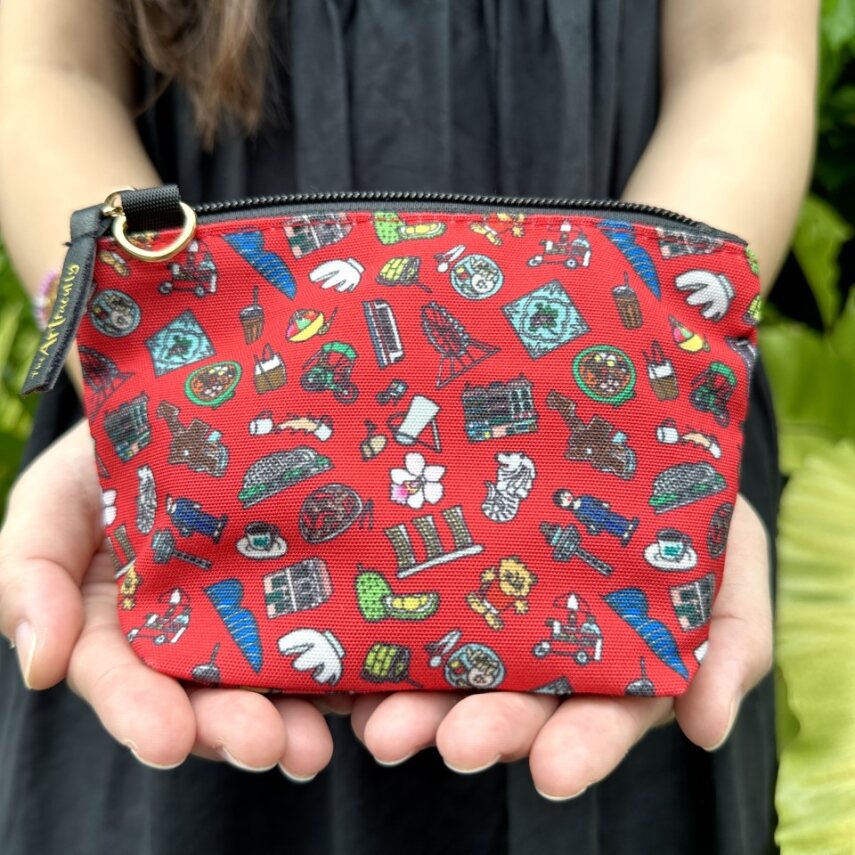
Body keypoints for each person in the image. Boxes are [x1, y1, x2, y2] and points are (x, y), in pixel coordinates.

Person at [0, 1, 819, 853]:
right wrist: (145, 404)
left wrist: (652, 387)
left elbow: (743, 56)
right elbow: (51, 71)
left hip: (627, 370)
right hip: (206, 362)